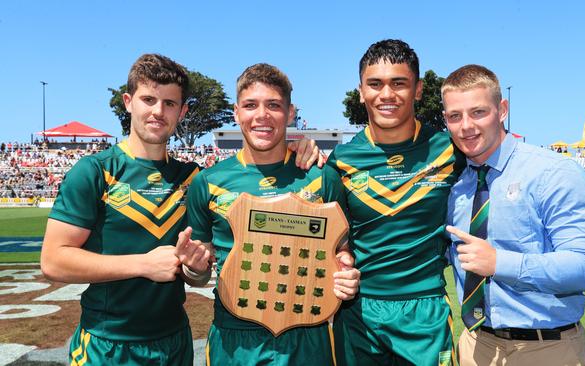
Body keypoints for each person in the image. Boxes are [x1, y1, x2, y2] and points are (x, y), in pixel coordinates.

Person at [40, 55, 321, 365]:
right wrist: (141, 265)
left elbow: (197, 273)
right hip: (107, 343)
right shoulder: (94, 171)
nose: (158, 112)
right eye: (148, 99)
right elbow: (53, 261)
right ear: (128, 101)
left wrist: (300, 144)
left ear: (183, 111)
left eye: (170, 103)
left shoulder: (195, 178)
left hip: (175, 342)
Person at [184, 63, 360, 365]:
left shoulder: (320, 176)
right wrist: (193, 268)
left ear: (291, 112)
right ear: (237, 112)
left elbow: (342, 252)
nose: (262, 115)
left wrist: (346, 272)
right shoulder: (208, 182)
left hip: (308, 332)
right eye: (251, 105)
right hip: (234, 336)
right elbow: (198, 273)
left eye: (274, 105)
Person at [443, 64, 585, 366]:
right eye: (455, 116)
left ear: (502, 109)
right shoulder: (457, 185)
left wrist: (500, 263)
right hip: (474, 345)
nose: (466, 125)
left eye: (478, 112)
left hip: (546, 349)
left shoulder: (553, 172)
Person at [327, 39, 466, 365]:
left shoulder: (450, 150)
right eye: (375, 84)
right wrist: (340, 259)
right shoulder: (342, 160)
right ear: (361, 91)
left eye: (398, 83)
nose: (386, 94)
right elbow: (333, 237)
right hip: (358, 313)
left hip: (425, 313)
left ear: (417, 90)